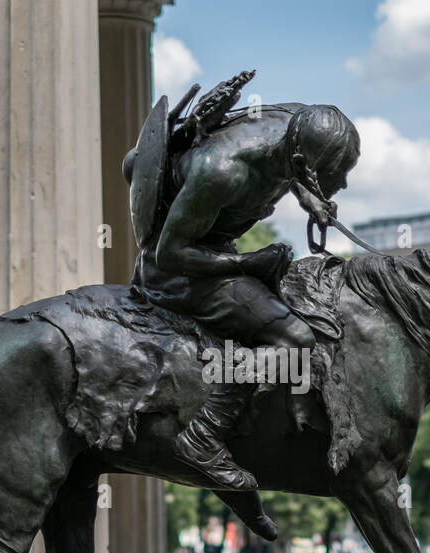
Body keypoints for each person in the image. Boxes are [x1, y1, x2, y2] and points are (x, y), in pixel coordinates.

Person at [128, 73, 361, 490]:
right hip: (178, 269)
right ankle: (203, 437)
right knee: (294, 338)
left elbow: (289, 171)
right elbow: (171, 253)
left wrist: (310, 197)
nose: (341, 185)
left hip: (218, 248)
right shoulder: (223, 171)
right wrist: (251, 262)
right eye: (333, 176)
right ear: (301, 161)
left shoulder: (294, 123)